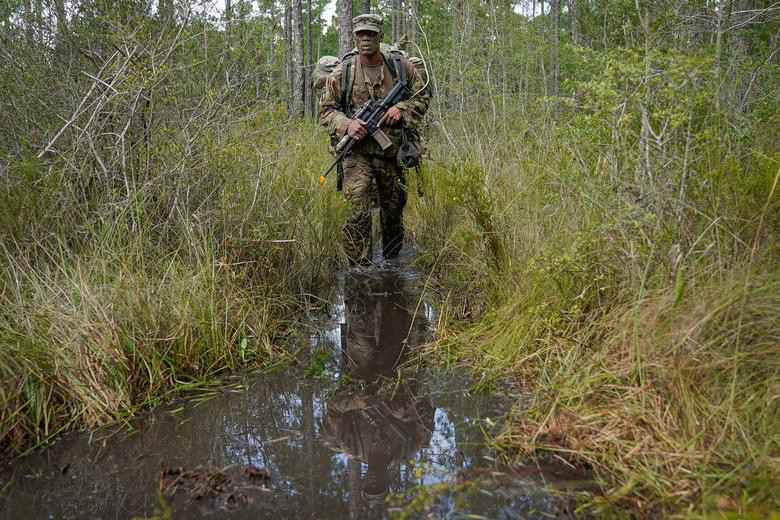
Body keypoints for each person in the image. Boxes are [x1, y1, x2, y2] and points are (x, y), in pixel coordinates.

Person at [320, 14, 430, 265]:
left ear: (380, 36)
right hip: (357, 152)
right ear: (354, 38)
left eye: (371, 33)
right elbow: (326, 111)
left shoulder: (401, 68)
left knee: (393, 212)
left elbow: (423, 98)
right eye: (361, 34)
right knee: (358, 209)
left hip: (391, 153)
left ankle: (392, 264)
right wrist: (347, 124)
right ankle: (361, 271)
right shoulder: (342, 73)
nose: (366, 39)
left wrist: (402, 109)